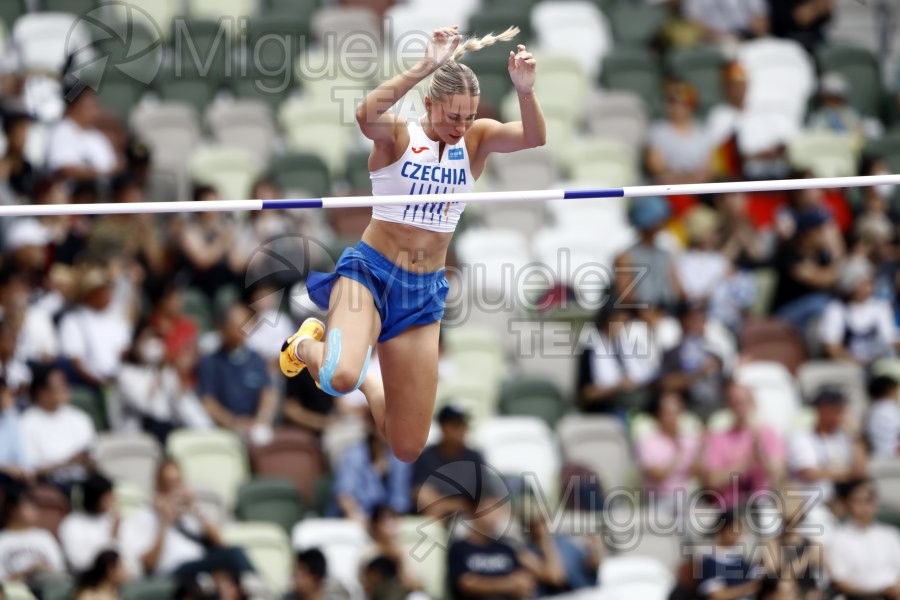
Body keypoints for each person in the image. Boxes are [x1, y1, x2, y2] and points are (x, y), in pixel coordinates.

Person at [278, 25, 546, 463]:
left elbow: (534, 137)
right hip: (370, 274)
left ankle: (371, 381)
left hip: (422, 293)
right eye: (452, 116)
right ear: (428, 103)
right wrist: (426, 65)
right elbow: (366, 115)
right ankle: (307, 343)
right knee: (341, 376)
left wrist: (525, 91)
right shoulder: (400, 138)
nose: (460, 126)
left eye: (468, 116)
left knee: (406, 446)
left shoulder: (475, 141)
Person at [788, 387, 868, 506]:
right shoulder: (802, 436)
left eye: (840, 406)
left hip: (842, 503)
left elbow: (860, 470)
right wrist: (849, 474)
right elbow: (809, 473)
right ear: (821, 409)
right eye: (834, 406)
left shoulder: (846, 437)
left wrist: (855, 435)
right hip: (811, 503)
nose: (840, 411)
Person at [827, 477, 900, 599]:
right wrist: (880, 592)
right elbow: (840, 581)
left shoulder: (890, 534)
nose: (865, 507)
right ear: (847, 504)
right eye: (858, 501)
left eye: (869, 500)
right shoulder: (837, 538)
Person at [411, 405, 487, 520]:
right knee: (433, 512)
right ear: (442, 427)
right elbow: (421, 495)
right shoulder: (427, 456)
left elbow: (485, 494)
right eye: (456, 425)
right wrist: (456, 505)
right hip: (439, 515)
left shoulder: (474, 457)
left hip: (470, 516)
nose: (461, 430)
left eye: (464, 425)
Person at [58, 474, 124, 575]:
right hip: (89, 582)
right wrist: (112, 538)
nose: (112, 501)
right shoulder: (71, 524)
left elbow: (128, 558)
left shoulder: (114, 519)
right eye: (107, 498)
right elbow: (80, 563)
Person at [865, 375, 900, 459]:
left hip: (882, 455)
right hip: (891, 456)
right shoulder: (887, 409)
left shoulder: (873, 410)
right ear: (890, 390)